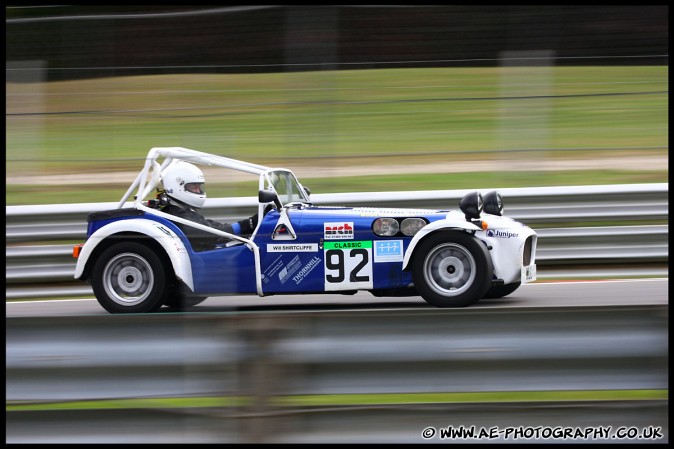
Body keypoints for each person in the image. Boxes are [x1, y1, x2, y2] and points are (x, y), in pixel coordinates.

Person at [157, 161, 257, 251]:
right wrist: (247, 225)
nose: (198, 191)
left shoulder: (183, 211)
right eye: (193, 187)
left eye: (198, 187)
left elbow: (213, 226)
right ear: (177, 186)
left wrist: (248, 225)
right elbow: (210, 233)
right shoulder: (178, 216)